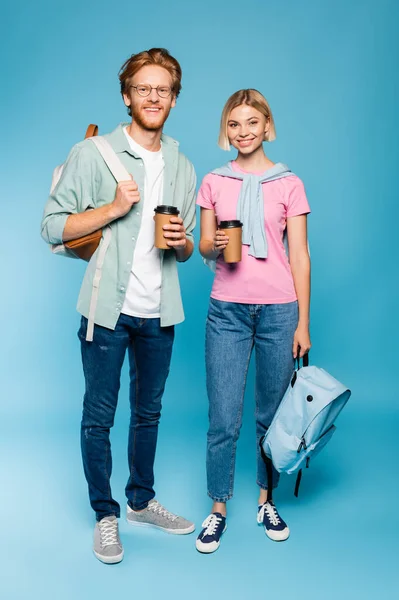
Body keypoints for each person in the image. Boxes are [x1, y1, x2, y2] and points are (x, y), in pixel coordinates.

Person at [41, 48, 197, 564]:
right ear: (127, 96)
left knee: (148, 413)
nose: (153, 97)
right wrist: (113, 208)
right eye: (143, 88)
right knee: (99, 416)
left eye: (163, 89)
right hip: (106, 312)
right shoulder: (94, 154)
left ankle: (140, 501)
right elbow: (51, 228)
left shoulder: (182, 164)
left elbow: (190, 245)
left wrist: (180, 242)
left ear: (174, 98)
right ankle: (105, 514)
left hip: (159, 311)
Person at [195, 89, 311, 553]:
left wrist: (303, 322)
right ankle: (218, 508)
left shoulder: (289, 183)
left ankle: (266, 500)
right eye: (234, 124)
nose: (243, 132)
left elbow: (299, 255)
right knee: (223, 418)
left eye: (251, 123)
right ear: (226, 130)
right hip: (227, 309)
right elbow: (203, 247)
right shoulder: (213, 181)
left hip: (280, 311)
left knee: (271, 416)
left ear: (267, 125)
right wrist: (217, 240)